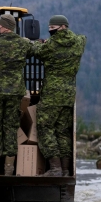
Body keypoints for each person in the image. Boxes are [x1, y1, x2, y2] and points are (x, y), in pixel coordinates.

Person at [33, 15, 86, 176]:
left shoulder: (52, 45)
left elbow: (37, 51)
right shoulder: (78, 42)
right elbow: (83, 39)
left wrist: (38, 42)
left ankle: (55, 168)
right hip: (68, 93)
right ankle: (64, 169)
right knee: (62, 130)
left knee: (45, 126)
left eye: (52, 30)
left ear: (61, 27)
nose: (51, 33)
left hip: (52, 94)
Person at [0, 14, 33, 176]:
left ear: (4, 27)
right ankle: (9, 168)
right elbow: (33, 51)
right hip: (15, 91)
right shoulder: (23, 43)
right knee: (11, 127)